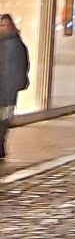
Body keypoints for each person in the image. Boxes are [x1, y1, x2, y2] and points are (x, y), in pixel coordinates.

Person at [0, 12, 29, 163]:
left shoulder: (14, 44)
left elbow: (17, 69)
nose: (2, 28)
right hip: (6, 90)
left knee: (3, 120)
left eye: (4, 25)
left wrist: (11, 87)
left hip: (6, 91)